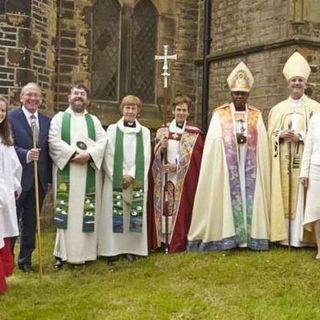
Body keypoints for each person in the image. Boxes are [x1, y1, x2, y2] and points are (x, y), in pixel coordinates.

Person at [188, 62, 270, 251]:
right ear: (231, 94)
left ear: (248, 95)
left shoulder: (256, 115)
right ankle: (228, 236)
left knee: (248, 195)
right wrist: (233, 140)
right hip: (228, 166)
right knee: (227, 196)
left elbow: (263, 141)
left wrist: (248, 140)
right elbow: (214, 142)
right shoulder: (220, 114)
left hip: (249, 167)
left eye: (243, 94)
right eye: (236, 94)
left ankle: (250, 238)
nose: (239, 97)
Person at [49, 84, 106, 269]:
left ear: (87, 99)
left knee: (86, 211)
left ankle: (87, 253)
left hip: (88, 171)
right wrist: (74, 155)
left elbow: (103, 141)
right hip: (68, 171)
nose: (79, 97)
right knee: (67, 212)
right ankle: (61, 254)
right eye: (75, 93)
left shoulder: (94, 121)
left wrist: (89, 155)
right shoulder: (59, 118)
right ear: (69, 97)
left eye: (82, 94)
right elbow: (53, 140)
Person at [268, 52, 320, 246]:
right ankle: (283, 237)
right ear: (288, 84)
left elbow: (318, 138)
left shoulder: (316, 108)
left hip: (305, 163)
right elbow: (269, 136)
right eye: (293, 80)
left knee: (304, 198)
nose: (297, 83)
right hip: (282, 160)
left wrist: (300, 137)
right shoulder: (277, 109)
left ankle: (302, 239)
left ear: (305, 83)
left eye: (300, 80)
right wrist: (279, 135)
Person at [98, 95, 151, 263]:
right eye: (127, 107)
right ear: (122, 109)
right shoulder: (112, 129)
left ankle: (131, 249)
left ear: (138, 111)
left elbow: (145, 155)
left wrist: (132, 175)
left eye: (133, 108)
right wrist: (119, 175)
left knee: (132, 215)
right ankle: (111, 250)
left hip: (136, 180)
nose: (130, 111)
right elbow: (109, 154)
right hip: (116, 179)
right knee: (113, 213)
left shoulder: (145, 132)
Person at [149, 95, 204, 252]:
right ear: (173, 111)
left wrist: (178, 167)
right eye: (178, 110)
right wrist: (161, 148)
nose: (181, 113)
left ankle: (178, 239)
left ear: (188, 113)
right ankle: (163, 240)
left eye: (184, 110)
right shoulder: (163, 131)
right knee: (165, 206)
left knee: (179, 208)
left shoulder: (194, 134)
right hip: (164, 177)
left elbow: (195, 161)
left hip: (182, 179)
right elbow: (154, 156)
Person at [9, 83, 52, 272]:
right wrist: (26, 154)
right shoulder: (10, 118)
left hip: (39, 179)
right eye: (28, 95)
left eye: (37, 96)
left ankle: (25, 260)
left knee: (31, 222)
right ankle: (7, 261)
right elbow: (7, 146)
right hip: (18, 180)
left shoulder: (46, 121)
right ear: (21, 97)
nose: (33, 99)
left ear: (41, 99)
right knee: (12, 221)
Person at [0, 95, 22, 293]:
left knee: (3, 234)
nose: (0, 114)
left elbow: (13, 166)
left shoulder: (5, 138)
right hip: (0, 195)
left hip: (5, 196)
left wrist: (15, 185)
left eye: (3, 111)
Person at [300, 114, 320, 259]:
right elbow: (309, 147)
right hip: (315, 168)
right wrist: (304, 172)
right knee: (316, 210)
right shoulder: (315, 119)